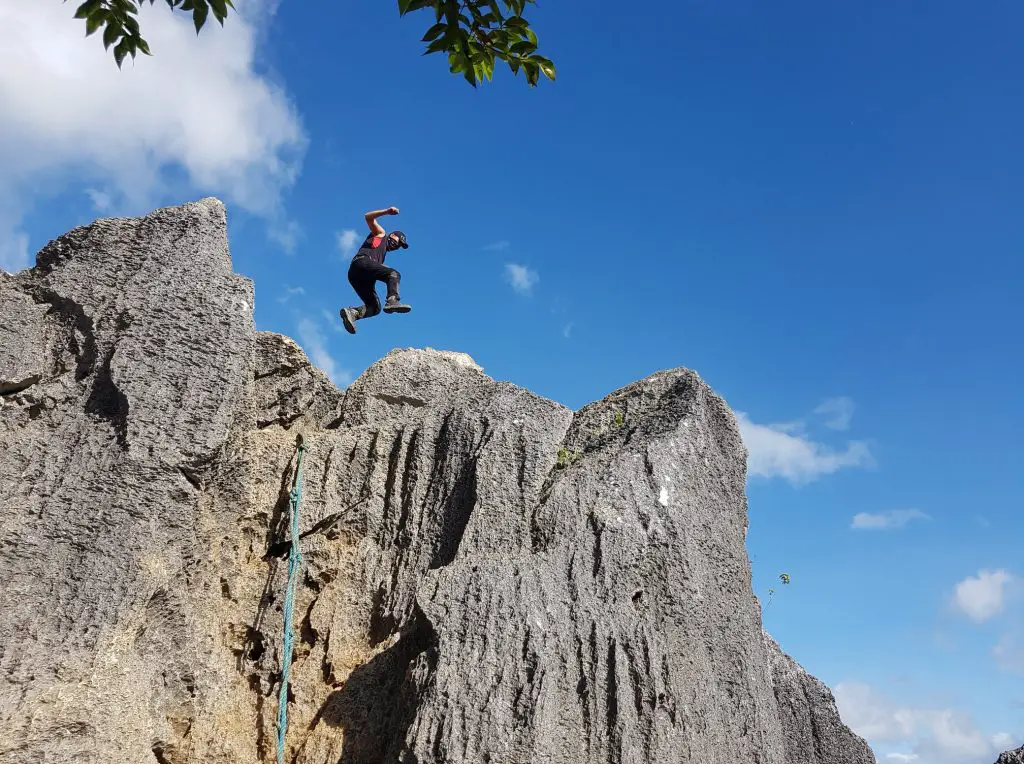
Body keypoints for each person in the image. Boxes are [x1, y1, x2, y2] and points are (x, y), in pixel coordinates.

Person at [339, 206, 412, 334]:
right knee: (394, 274)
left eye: (400, 246)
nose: (397, 246)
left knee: (375, 307)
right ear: (393, 235)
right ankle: (392, 300)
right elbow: (368, 217)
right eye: (398, 241)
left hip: (356, 276)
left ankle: (352, 313)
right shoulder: (381, 234)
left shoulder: (381, 256)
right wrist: (387, 212)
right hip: (361, 262)